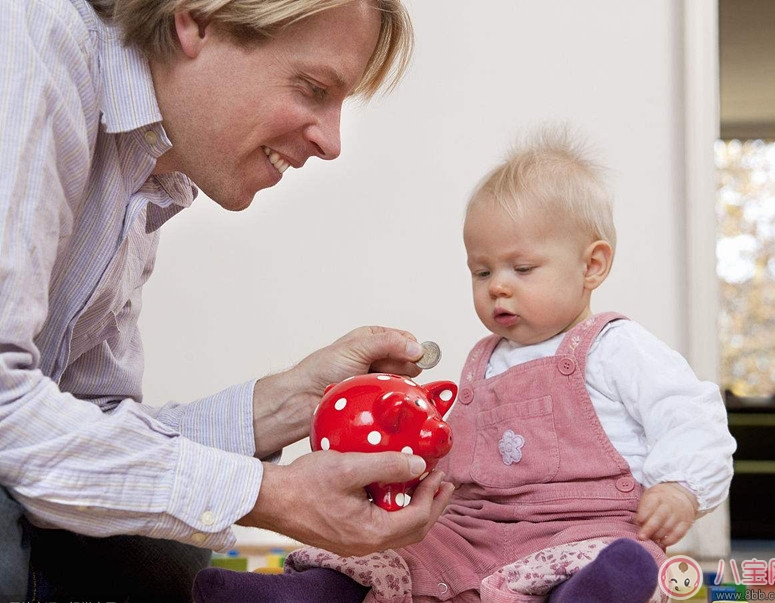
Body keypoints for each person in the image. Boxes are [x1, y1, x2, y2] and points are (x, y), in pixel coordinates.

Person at [0, 0, 455, 600]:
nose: (332, 141)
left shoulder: (144, 173)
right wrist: (272, 496)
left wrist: (299, 402)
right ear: (195, 20)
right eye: (314, 87)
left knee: (153, 554)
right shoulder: (29, 49)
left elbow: (90, 426)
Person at [192, 125, 737, 603]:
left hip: (577, 526)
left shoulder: (615, 347)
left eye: (522, 267)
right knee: (397, 555)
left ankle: (594, 593)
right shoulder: (483, 362)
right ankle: (302, 593)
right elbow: (457, 459)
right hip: (474, 529)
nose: (497, 285)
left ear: (592, 265)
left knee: (605, 558)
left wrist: (680, 486)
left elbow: (692, 417)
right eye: (481, 272)